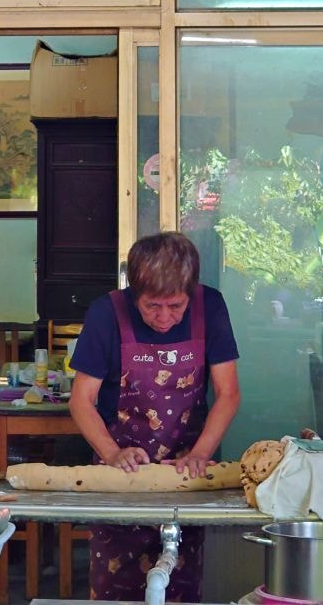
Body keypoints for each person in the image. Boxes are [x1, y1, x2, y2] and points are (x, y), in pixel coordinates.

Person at [68, 231, 241, 603]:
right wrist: (112, 452)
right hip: (119, 475)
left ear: (191, 293)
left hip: (185, 473)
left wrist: (201, 452)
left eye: (175, 307)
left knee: (179, 581)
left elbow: (228, 393)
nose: (164, 318)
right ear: (134, 292)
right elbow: (81, 400)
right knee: (115, 589)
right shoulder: (106, 313)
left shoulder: (210, 307)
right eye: (152, 307)